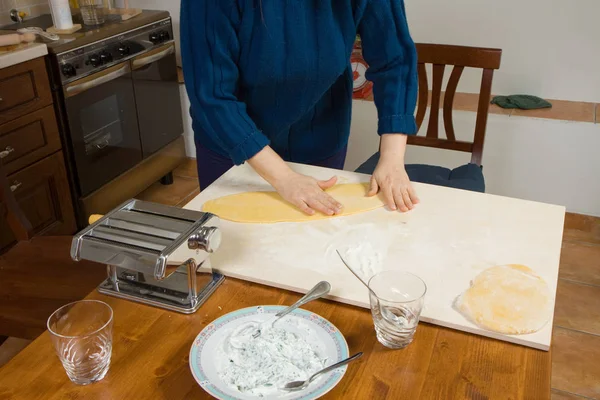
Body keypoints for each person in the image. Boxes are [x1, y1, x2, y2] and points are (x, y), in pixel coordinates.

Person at [180, 0, 419, 216]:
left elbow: (394, 61)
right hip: (230, 143)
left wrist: (392, 159)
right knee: (230, 249)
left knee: (310, 248)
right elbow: (211, 94)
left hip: (319, 137)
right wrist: (283, 177)